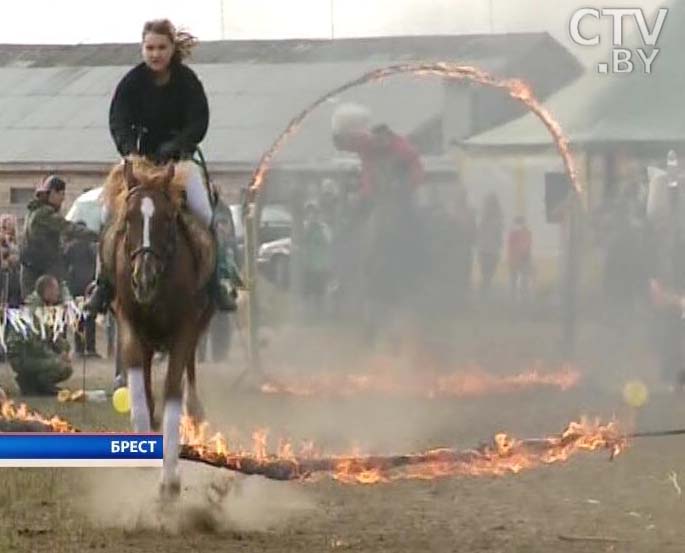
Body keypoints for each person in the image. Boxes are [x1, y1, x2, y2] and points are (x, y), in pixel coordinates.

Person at [85, 18, 238, 315]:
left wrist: (179, 145)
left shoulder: (188, 82)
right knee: (107, 215)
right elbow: (118, 119)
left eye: (161, 48)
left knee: (204, 212)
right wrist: (128, 150)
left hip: (177, 164)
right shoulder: (131, 82)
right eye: (150, 48)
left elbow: (198, 120)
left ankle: (217, 279)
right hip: (139, 161)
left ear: (172, 49)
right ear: (143, 49)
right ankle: (102, 284)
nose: (155, 54)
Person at [19, 175, 98, 300]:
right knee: (53, 309)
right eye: (61, 194)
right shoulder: (44, 213)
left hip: (34, 270)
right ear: (52, 193)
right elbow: (69, 228)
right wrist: (98, 235)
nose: (63, 198)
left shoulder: (34, 210)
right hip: (42, 273)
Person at [6, 275, 73, 396]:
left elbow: (51, 334)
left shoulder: (42, 307)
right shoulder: (34, 311)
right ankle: (33, 383)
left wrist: (64, 347)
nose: (58, 294)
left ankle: (35, 383)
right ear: (47, 291)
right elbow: (35, 345)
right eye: (55, 290)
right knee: (62, 367)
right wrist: (56, 358)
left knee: (63, 364)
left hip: (29, 354)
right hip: (22, 356)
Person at [64, 221, 99, 357]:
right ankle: (90, 348)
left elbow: (65, 264)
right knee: (90, 316)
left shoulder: (69, 247)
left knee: (78, 317)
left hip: (74, 285)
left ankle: (79, 348)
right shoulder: (91, 247)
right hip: (89, 285)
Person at [507, 216, 533, 304]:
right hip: (524, 258)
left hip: (517, 259)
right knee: (522, 280)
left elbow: (511, 247)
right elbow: (527, 246)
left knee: (515, 280)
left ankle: (514, 298)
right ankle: (522, 298)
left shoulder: (513, 233)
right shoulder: (527, 232)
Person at [0, 214, 22, 307]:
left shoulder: (16, 244)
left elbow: (18, 257)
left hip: (14, 280)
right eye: (4, 228)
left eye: (9, 228)